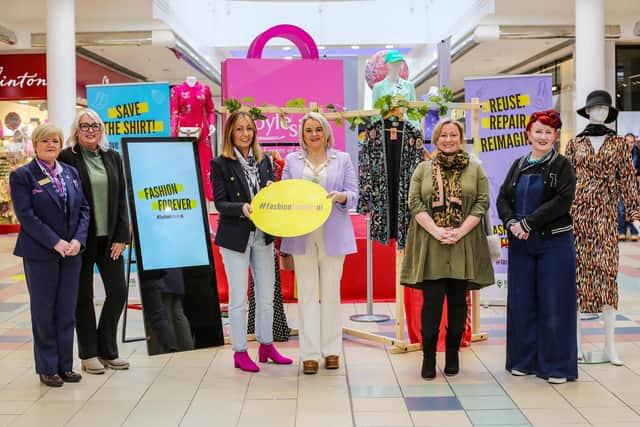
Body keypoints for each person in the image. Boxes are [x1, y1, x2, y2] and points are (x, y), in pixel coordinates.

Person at [400, 118, 494, 380]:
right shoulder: (422, 168)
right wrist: (437, 231)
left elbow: (482, 202)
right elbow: (415, 203)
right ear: (436, 139)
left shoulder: (475, 169)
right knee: (431, 304)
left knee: (457, 304)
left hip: (463, 244)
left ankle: (452, 354)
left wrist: (460, 232)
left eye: (453, 135)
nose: (448, 140)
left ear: (460, 138)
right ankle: (428, 357)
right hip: (431, 244)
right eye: (443, 135)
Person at [496, 110, 577, 384]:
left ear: (555, 136)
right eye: (538, 131)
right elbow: (503, 198)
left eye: (548, 132)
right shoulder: (518, 164)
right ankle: (523, 361)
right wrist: (510, 222)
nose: (543, 136)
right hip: (521, 244)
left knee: (555, 303)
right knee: (521, 303)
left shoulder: (562, 165)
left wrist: (527, 223)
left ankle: (557, 367)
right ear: (528, 133)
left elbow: (561, 202)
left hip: (554, 243)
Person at [211, 111, 292, 372]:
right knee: (238, 298)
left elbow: (269, 195)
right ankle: (239, 351)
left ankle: (266, 345)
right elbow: (220, 202)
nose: (245, 134)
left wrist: (271, 192)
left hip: (263, 235)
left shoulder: (264, 161)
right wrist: (242, 207)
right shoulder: (220, 163)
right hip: (235, 236)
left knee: (266, 294)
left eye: (249, 129)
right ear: (230, 134)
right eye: (239, 129)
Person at [10, 124, 90, 387]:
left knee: (66, 311)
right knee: (44, 311)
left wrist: (78, 240)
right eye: (45, 141)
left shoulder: (71, 172)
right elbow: (26, 215)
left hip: (72, 254)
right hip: (40, 254)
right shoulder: (23, 175)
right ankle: (47, 367)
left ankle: (65, 366)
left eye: (55, 141)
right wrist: (55, 242)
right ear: (35, 144)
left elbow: (84, 209)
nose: (51, 145)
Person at [566, 90, 640, 366]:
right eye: (594, 108)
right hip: (578, 216)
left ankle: (611, 346)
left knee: (608, 277)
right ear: (587, 111)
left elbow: (628, 181)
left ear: (609, 112)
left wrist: (634, 214)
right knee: (577, 277)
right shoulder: (575, 144)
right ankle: (575, 345)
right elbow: (567, 180)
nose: (598, 112)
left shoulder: (620, 145)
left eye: (603, 108)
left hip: (607, 216)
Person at [280, 113, 358, 374]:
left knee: (331, 295)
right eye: (308, 130)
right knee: (307, 295)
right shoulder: (292, 160)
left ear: (326, 132)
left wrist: (340, 197)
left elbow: (354, 195)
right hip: (302, 235)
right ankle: (310, 354)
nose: (313, 134)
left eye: (318, 129)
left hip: (333, 234)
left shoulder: (342, 159)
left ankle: (332, 351)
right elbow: (284, 195)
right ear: (302, 135)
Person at [58, 109, 131, 374]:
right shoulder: (67, 157)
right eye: (84, 125)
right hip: (81, 240)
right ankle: (89, 354)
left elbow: (122, 198)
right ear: (76, 130)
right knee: (83, 296)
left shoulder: (113, 157)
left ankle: (107, 349)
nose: (90, 129)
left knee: (118, 293)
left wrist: (123, 236)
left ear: (101, 130)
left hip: (110, 238)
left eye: (95, 125)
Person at [617, 133, 640, 241]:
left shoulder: (638, 152)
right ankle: (621, 232)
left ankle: (634, 232)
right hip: (622, 184)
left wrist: (637, 172)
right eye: (627, 142)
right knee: (621, 209)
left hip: (634, 185)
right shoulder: (619, 154)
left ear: (634, 142)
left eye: (632, 142)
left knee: (633, 210)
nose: (630, 144)